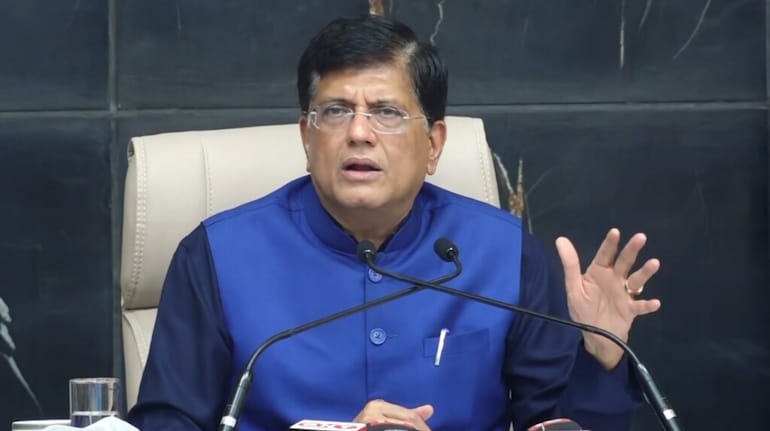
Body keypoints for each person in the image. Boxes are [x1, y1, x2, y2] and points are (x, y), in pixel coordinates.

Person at [126, 15, 662, 431]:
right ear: (307, 137)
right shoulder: (217, 257)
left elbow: (555, 423)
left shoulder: (502, 252)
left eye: (386, 113)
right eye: (336, 111)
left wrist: (600, 358)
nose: (359, 133)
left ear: (433, 144)